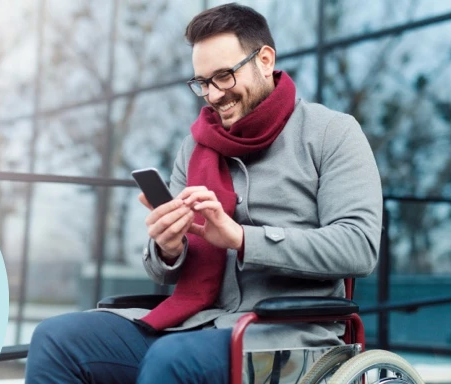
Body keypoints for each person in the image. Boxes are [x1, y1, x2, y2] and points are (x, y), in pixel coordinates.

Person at [25, 3, 382, 383]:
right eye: (202, 82)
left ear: (264, 59)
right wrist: (168, 246)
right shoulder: (194, 148)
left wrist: (242, 239)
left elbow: (359, 246)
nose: (212, 95)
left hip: (285, 334)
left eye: (224, 76)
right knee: (56, 338)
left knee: (172, 361)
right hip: (192, 324)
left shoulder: (332, 133)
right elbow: (163, 271)